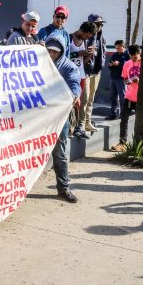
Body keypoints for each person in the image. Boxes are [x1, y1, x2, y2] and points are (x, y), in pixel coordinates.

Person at [45, 38, 82, 203]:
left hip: (60, 116)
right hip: (40, 115)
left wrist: (74, 95)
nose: (51, 54)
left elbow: (75, 84)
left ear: (61, 51)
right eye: (49, 50)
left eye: (55, 51)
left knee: (59, 152)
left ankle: (64, 187)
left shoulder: (69, 67)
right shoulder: (40, 62)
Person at [110, 44, 142, 152]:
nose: (134, 59)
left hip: (141, 98)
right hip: (129, 96)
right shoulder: (127, 64)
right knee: (123, 120)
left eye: (136, 57)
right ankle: (122, 143)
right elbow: (124, 79)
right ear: (129, 54)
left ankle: (138, 143)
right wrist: (130, 81)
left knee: (140, 122)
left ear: (140, 53)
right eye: (132, 57)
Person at [68, 22, 97, 138]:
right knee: (72, 104)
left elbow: (82, 62)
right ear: (82, 31)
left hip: (81, 75)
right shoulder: (69, 38)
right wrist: (77, 53)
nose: (88, 38)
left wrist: (89, 54)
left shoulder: (84, 41)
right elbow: (62, 56)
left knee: (83, 102)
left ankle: (79, 127)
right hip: (70, 77)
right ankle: (70, 128)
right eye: (87, 35)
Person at [80, 14, 107, 132]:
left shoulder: (102, 38)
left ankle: (88, 122)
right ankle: (80, 124)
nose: (99, 26)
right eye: (97, 24)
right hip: (85, 72)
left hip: (96, 72)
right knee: (84, 99)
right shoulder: (85, 37)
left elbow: (103, 54)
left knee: (91, 99)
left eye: (101, 24)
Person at [107, 40, 129, 120]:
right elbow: (109, 65)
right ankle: (113, 114)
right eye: (116, 48)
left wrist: (119, 64)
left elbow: (127, 65)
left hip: (122, 79)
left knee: (122, 97)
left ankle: (123, 114)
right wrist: (111, 64)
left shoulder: (127, 55)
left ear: (123, 47)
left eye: (119, 48)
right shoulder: (115, 55)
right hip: (113, 78)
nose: (117, 50)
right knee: (113, 97)